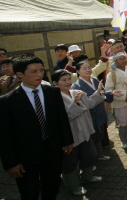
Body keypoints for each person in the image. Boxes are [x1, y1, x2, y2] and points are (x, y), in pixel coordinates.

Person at [0, 55, 73, 200]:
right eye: (33, 71)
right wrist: (11, 163)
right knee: (29, 192)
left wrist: (68, 140)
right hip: (26, 157)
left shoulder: (52, 92)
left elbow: (61, 118)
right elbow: (4, 135)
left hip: (52, 151)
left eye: (41, 70)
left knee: (51, 189)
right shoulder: (8, 101)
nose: (39, 74)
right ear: (19, 74)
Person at [53, 69, 105, 195]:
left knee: (90, 155)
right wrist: (74, 103)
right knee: (69, 163)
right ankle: (73, 186)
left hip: (85, 132)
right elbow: (64, 117)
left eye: (69, 79)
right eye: (63, 80)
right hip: (69, 136)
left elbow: (91, 103)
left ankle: (87, 177)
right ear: (54, 83)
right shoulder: (53, 99)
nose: (68, 82)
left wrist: (98, 93)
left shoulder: (77, 92)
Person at [70, 61, 114, 161]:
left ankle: (99, 155)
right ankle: (90, 161)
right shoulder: (76, 87)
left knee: (99, 135)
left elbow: (103, 91)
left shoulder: (94, 80)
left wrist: (111, 93)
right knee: (91, 138)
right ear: (77, 71)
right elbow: (87, 103)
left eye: (89, 67)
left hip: (99, 113)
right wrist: (97, 93)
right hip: (89, 116)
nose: (88, 70)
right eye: (84, 68)